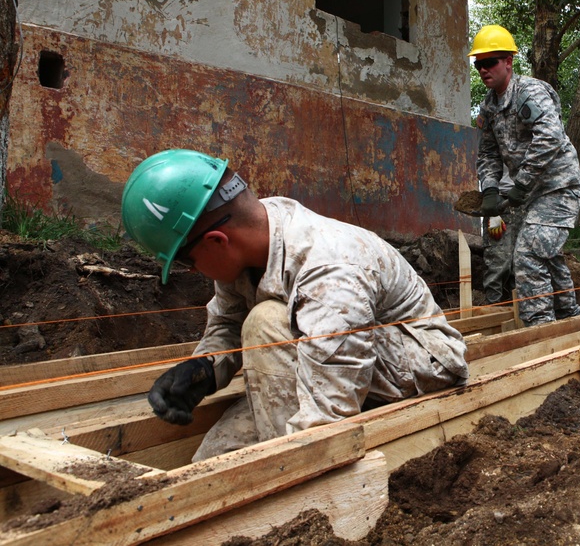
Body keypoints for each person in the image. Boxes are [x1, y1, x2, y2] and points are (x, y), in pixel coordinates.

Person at [121, 149, 469, 460]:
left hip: (418, 358)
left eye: (187, 262)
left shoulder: (330, 269)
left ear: (217, 240)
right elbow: (228, 323)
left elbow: (330, 409)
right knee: (213, 460)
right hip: (327, 353)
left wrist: (292, 466)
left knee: (266, 322)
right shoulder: (249, 240)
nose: (193, 271)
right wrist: (204, 369)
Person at [471, 24, 580, 326]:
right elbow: (488, 154)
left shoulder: (530, 92)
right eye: (478, 63)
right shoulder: (489, 107)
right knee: (548, 254)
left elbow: (550, 138)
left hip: (558, 188)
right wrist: (491, 189)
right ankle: (570, 318)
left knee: (528, 254)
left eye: (490, 61)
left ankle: (540, 329)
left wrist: (520, 185)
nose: (484, 69)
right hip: (530, 195)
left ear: (508, 62)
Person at [482, 172, 522, 305]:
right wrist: (493, 210)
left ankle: (520, 313)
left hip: (526, 203)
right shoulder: (494, 151)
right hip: (501, 202)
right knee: (498, 264)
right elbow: (487, 167)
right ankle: (493, 314)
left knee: (522, 265)